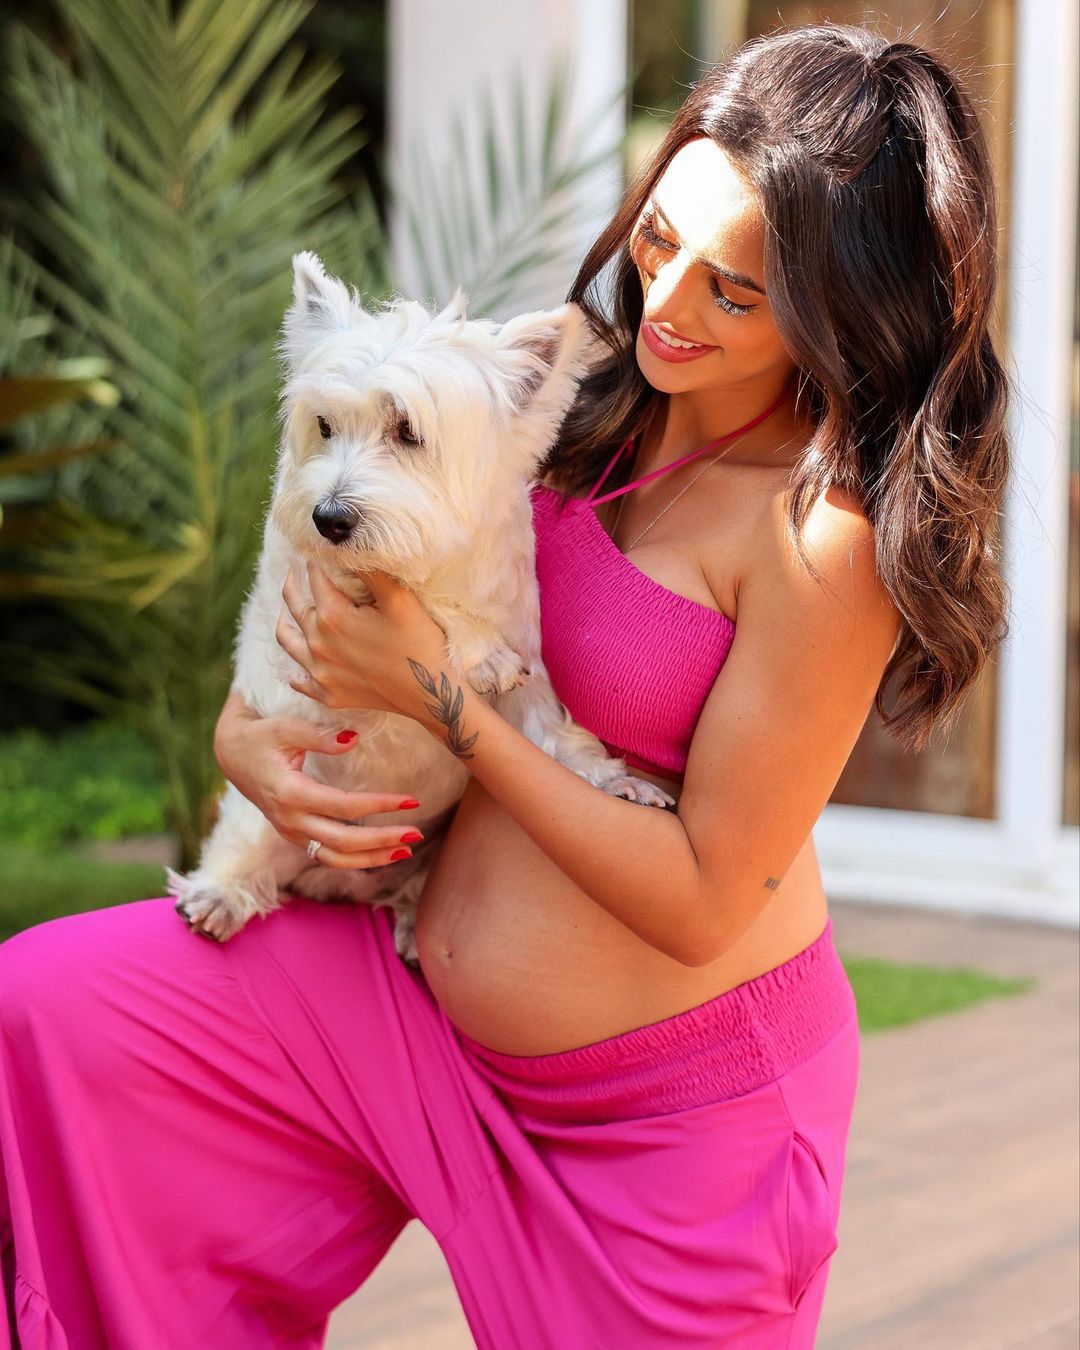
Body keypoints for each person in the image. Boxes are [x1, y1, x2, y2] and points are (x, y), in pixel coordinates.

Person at [0, 20, 1011, 1350]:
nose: (668, 306)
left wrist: (446, 706)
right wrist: (246, 738)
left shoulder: (820, 538)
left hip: (667, 1128)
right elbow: (335, 573)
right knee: (54, 1009)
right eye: (660, 241)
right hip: (407, 1011)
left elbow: (705, 897)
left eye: (734, 293)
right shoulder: (576, 405)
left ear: (837, 310)